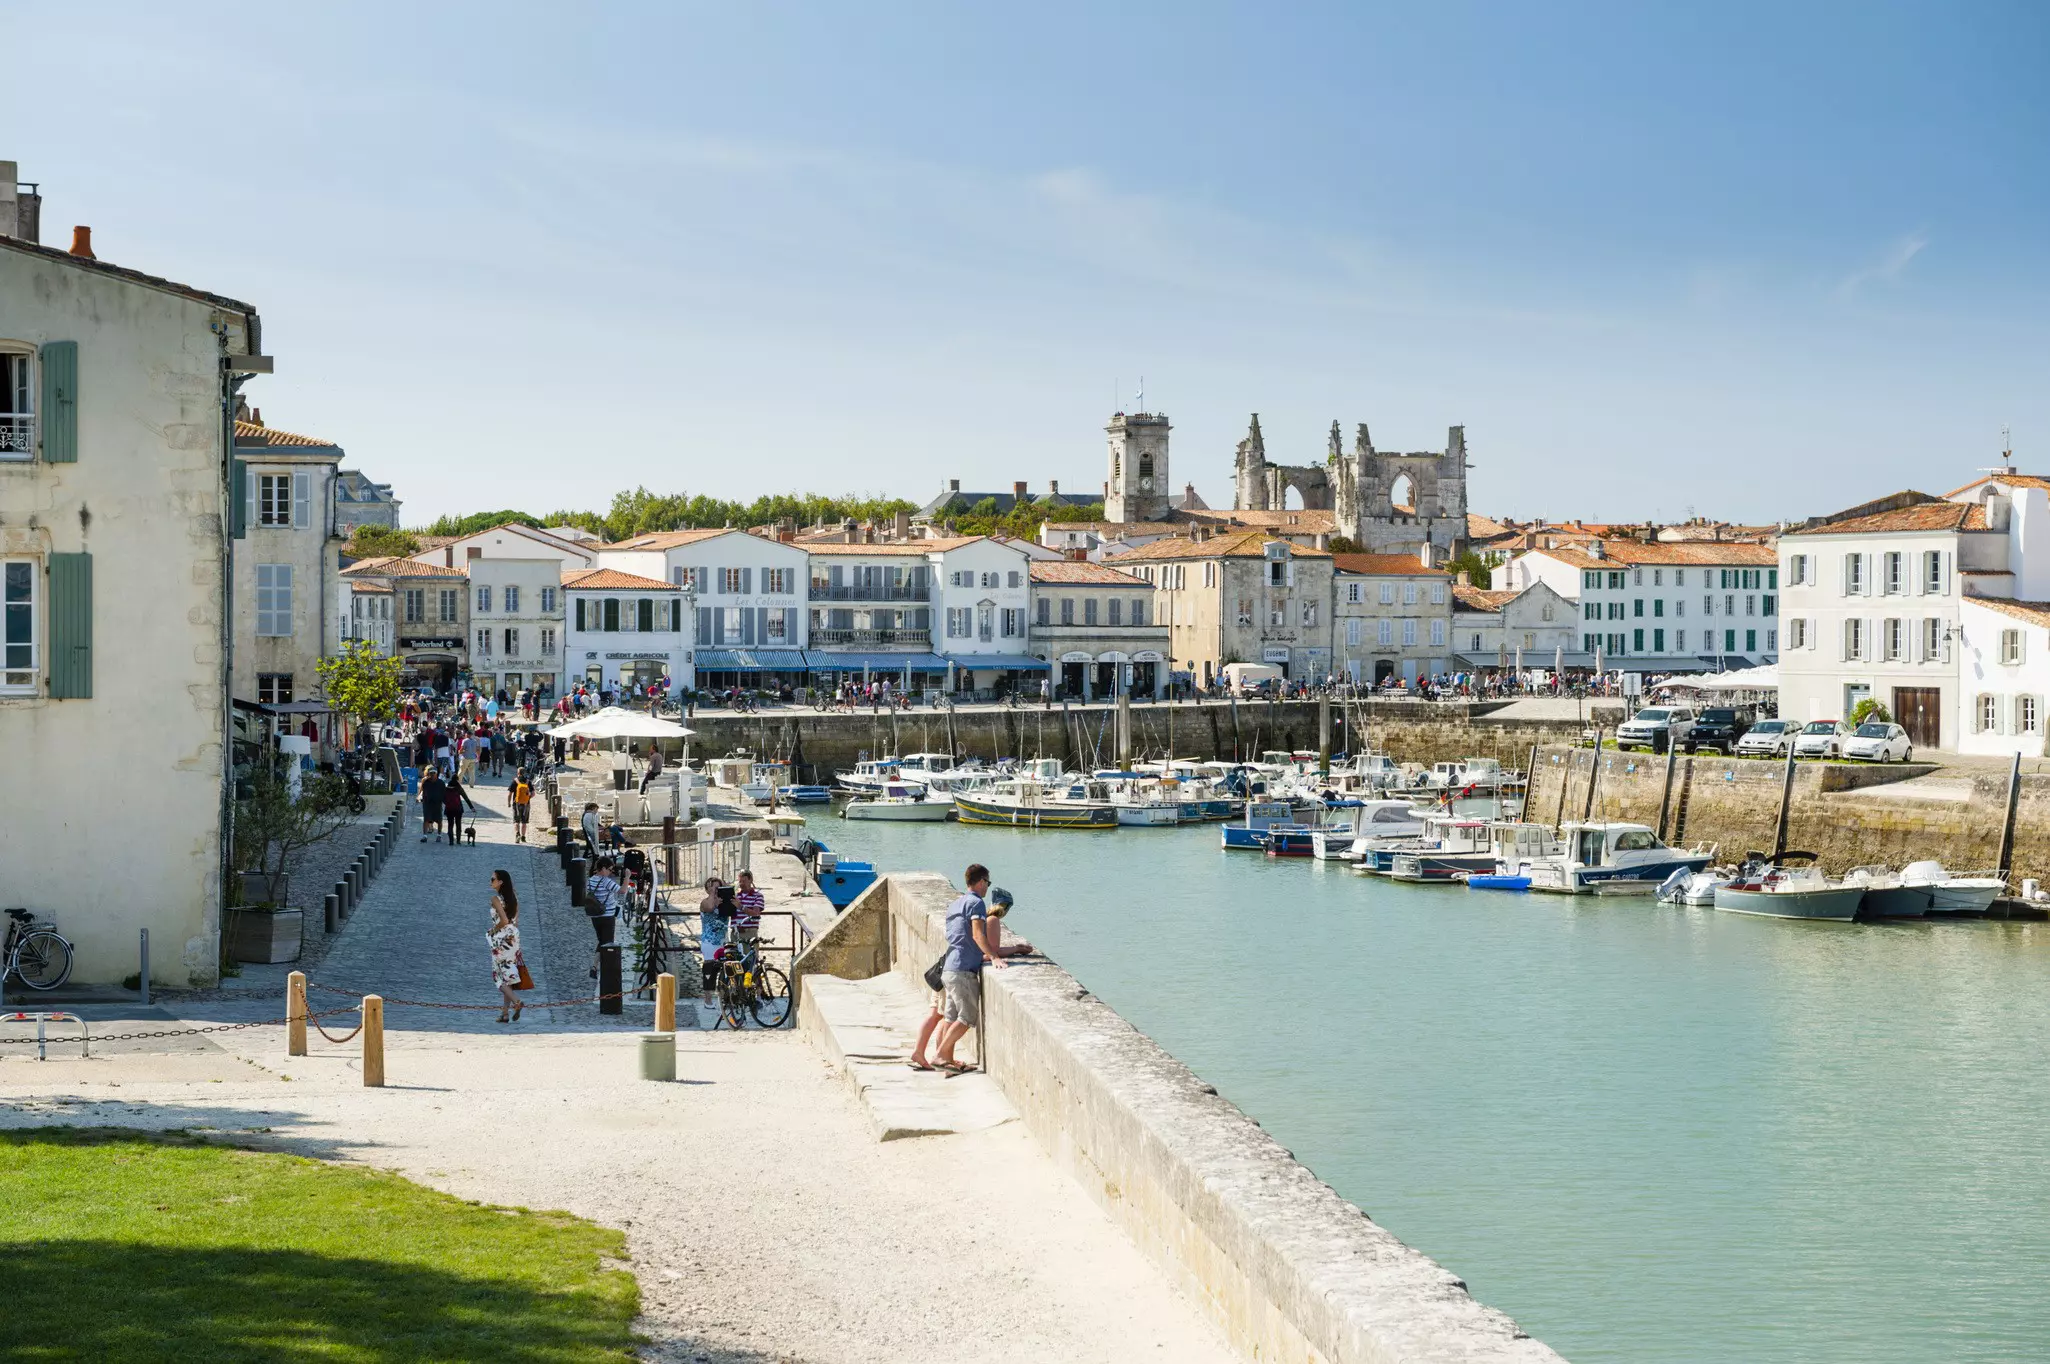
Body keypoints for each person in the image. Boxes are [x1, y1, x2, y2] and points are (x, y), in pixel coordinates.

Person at [910, 886, 1029, 1071]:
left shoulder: (964, 909)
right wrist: (1015, 950)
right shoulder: (991, 919)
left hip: (947, 968)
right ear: (1005, 907)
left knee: (942, 1016)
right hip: (959, 971)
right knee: (954, 1017)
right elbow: (990, 949)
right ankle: (940, 1056)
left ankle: (941, 1059)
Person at [932, 863, 1003, 1075]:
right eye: (987, 883)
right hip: (963, 970)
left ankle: (947, 1063)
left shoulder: (955, 904)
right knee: (966, 1019)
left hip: (949, 968)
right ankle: (941, 1056)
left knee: (950, 1018)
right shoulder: (976, 903)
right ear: (980, 882)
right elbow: (977, 935)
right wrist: (995, 956)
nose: (987, 887)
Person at [488, 870, 524, 1024]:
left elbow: (503, 920)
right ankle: (505, 1013)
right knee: (508, 975)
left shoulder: (496, 899)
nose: (491, 881)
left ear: (500, 882)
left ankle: (516, 1001)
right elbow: (515, 921)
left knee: (498, 976)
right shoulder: (514, 897)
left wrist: (492, 931)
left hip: (501, 939)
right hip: (513, 938)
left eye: (493, 879)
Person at [697, 876, 728, 1010]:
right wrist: (711, 895)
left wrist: (725, 890)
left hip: (722, 941)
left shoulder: (723, 902)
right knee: (710, 970)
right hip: (710, 941)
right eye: (714, 887)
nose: (716, 890)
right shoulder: (705, 902)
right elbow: (709, 908)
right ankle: (708, 999)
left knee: (725, 970)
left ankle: (724, 997)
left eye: (718, 887)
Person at [732, 869, 764, 955]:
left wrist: (741, 907)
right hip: (735, 933)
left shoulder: (758, 896)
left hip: (749, 933)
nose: (742, 884)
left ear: (750, 880)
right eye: (740, 881)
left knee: (750, 961)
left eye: (744, 881)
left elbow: (756, 913)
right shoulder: (735, 896)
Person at [443, 770, 479, 846]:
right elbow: (466, 798)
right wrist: (472, 808)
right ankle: (458, 841)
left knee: (450, 825)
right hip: (458, 809)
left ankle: (451, 841)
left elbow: (443, 798)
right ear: (457, 780)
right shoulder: (458, 788)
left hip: (449, 809)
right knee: (458, 824)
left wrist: (447, 804)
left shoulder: (446, 788)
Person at [418, 765, 446, 842]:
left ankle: (439, 835)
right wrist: (419, 797)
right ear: (428, 773)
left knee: (439, 820)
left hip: (437, 804)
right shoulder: (426, 782)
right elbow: (422, 791)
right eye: (431, 773)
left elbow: (444, 794)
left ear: (436, 773)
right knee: (426, 819)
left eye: (434, 773)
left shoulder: (441, 783)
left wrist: (447, 803)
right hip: (427, 804)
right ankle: (425, 836)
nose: (432, 774)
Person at [510, 769, 533, 843]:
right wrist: (527, 799)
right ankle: (523, 837)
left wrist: (508, 802)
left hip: (516, 804)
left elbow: (510, 794)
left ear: (518, 773)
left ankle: (517, 834)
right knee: (524, 821)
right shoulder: (528, 782)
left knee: (516, 821)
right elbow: (533, 793)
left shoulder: (515, 781)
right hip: (526, 804)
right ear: (524, 773)